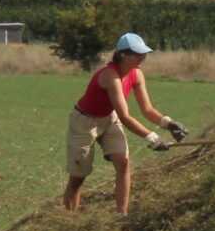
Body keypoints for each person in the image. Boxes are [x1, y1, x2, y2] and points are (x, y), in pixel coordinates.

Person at [63, 32, 186, 215]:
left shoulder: (136, 74)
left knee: (124, 162)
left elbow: (147, 109)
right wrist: (152, 138)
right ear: (122, 55)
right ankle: (69, 218)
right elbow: (125, 116)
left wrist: (168, 124)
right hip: (85, 121)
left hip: (109, 118)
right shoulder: (110, 76)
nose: (142, 58)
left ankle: (122, 215)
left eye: (144, 54)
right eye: (137, 54)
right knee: (79, 177)